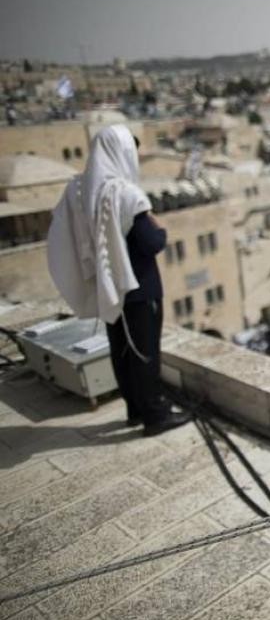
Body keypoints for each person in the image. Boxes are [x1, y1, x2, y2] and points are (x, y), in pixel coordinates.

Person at [47, 124, 190, 436]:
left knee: (122, 350)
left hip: (108, 284)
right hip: (139, 287)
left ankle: (135, 410)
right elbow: (151, 243)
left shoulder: (79, 190)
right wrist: (160, 228)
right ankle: (155, 416)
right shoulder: (125, 193)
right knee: (144, 352)